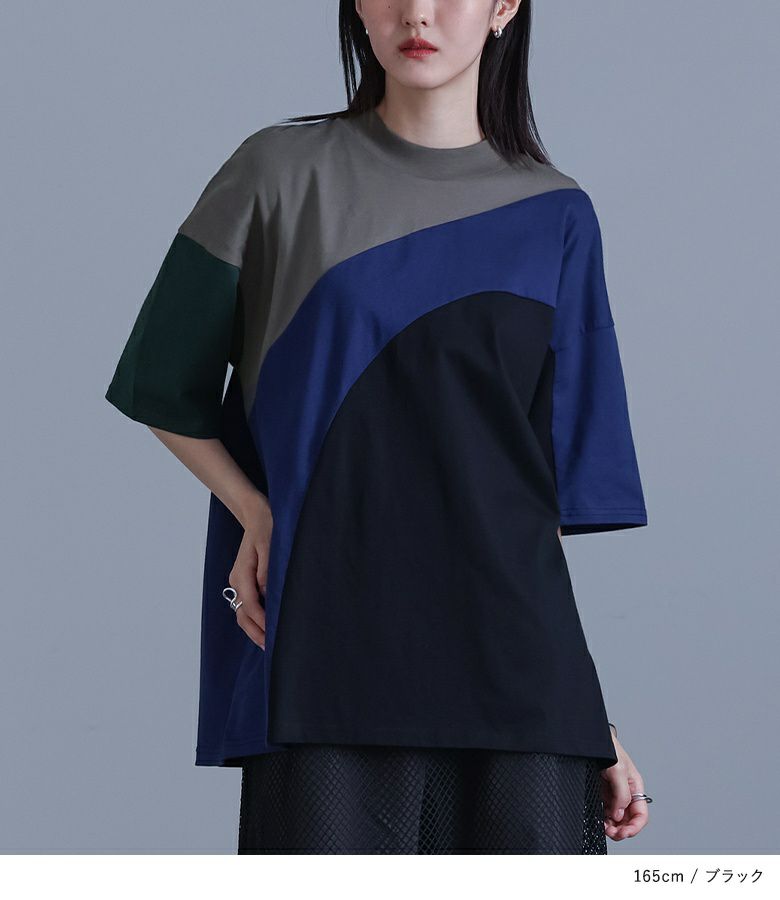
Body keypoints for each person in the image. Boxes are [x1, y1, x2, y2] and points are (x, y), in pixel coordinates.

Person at [105, 0, 653, 854]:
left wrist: (593, 716)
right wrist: (256, 512)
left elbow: (534, 510)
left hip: (519, 683)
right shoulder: (278, 171)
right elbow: (159, 381)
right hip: (326, 648)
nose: (418, 12)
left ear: (504, 7)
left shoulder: (558, 215)